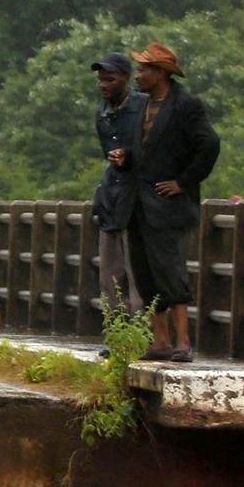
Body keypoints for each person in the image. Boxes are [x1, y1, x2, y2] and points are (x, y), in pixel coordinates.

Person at [121, 41, 220, 363]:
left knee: (172, 273)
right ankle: (160, 341)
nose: (137, 75)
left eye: (144, 69)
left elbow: (209, 145)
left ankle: (183, 342)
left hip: (169, 207)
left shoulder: (185, 106)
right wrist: (124, 159)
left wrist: (184, 182)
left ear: (161, 73)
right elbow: (146, 153)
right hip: (139, 205)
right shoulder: (141, 106)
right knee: (146, 274)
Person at [92, 52, 146, 316]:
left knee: (137, 273)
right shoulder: (102, 111)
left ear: (125, 78)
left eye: (110, 79)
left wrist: (130, 157)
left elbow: (158, 150)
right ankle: (115, 335)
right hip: (111, 197)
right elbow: (106, 151)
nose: (103, 85)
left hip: (138, 199)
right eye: (101, 80)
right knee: (109, 276)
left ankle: (141, 335)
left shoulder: (144, 107)